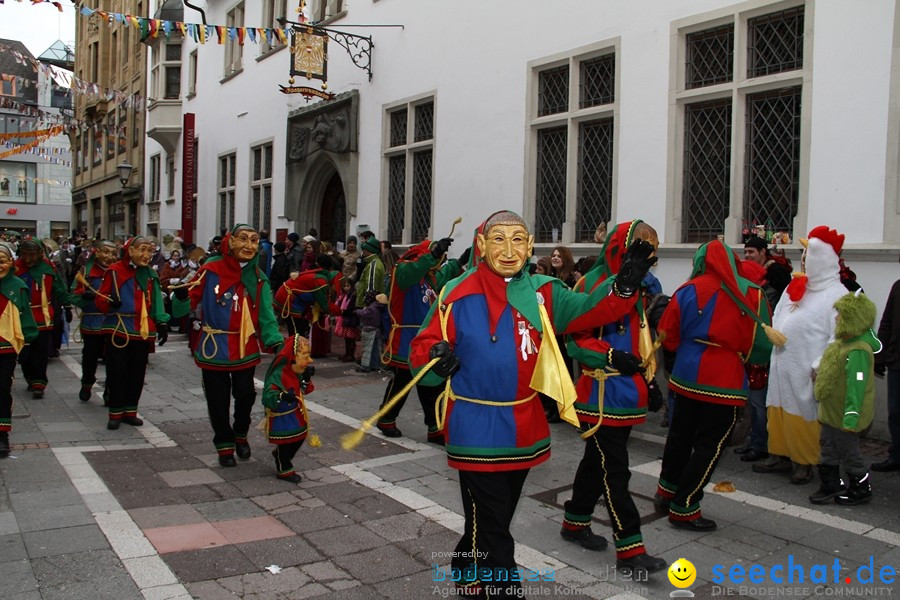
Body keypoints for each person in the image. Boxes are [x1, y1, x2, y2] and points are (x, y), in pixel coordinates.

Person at [408, 210, 654, 598]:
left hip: (523, 422)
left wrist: (622, 288)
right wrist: (436, 355)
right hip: (473, 420)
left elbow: (589, 311)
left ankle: (466, 565)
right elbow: (421, 348)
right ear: (483, 244)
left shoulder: (545, 291)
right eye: (499, 239)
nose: (509, 250)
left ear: (530, 244)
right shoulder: (454, 292)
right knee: (494, 521)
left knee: (495, 511)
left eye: (518, 239)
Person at [560, 220, 667, 576]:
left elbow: (638, 339)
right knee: (615, 471)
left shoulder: (635, 288)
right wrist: (607, 357)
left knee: (597, 462)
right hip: (601, 392)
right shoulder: (590, 283)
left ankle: (575, 520)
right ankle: (630, 547)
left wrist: (648, 381)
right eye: (638, 250)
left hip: (625, 391)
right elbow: (575, 338)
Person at [655, 239, 773, 532]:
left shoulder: (686, 289)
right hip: (725, 379)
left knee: (679, 436)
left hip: (686, 375)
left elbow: (667, 334)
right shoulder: (752, 294)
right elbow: (762, 346)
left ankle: (666, 491)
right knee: (710, 445)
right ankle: (685, 506)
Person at [172, 225, 284, 467]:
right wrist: (180, 298)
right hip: (213, 347)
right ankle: (224, 444)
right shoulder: (210, 269)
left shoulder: (259, 278)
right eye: (243, 239)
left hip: (244, 347)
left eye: (254, 240)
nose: (249, 245)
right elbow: (187, 301)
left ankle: (240, 434)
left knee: (246, 395)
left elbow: (266, 316)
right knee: (217, 399)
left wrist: (276, 343)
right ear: (230, 242)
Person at [755, 227, 848, 484]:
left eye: (811, 254)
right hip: (782, 363)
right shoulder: (796, 286)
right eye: (804, 254)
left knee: (803, 414)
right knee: (777, 408)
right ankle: (779, 454)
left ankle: (804, 461)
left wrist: (821, 365)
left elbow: (839, 337)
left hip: (806, 367)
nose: (805, 259)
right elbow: (783, 313)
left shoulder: (837, 295)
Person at [377, 238, 467, 441]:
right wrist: (432, 254)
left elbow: (443, 277)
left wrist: (459, 261)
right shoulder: (402, 270)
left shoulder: (428, 278)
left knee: (432, 383)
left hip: (426, 340)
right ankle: (386, 418)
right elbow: (412, 271)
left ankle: (435, 427)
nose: (438, 262)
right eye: (436, 257)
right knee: (402, 382)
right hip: (406, 339)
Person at [808, 291, 880, 505]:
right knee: (828, 445)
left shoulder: (858, 350)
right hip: (832, 411)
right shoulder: (843, 343)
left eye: (840, 314)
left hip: (846, 414)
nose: (837, 318)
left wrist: (851, 416)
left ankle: (861, 486)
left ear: (853, 317)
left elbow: (857, 385)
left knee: (848, 450)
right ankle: (830, 483)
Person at [95, 237, 170, 430]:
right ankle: (115, 412)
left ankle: (130, 411)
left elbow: (156, 302)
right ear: (131, 251)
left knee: (137, 373)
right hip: (118, 326)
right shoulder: (115, 271)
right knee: (117, 371)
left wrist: (161, 321)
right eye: (142, 250)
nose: (146, 255)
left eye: (150, 251)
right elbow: (101, 299)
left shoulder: (151, 274)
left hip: (141, 329)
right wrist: (109, 303)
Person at [734, 236, 792, 462]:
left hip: (763, 351)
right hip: (750, 350)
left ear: (762, 252)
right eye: (745, 252)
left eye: (751, 252)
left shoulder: (769, 286)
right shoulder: (754, 290)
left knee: (759, 401)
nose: (748, 256)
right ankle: (755, 440)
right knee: (752, 400)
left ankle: (761, 444)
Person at [14, 239, 77, 399]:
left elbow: (59, 288)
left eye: (32, 255)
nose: (28, 259)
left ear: (40, 254)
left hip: (43, 317)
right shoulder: (14, 268)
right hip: (20, 318)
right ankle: (30, 377)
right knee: (25, 353)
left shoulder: (48, 268)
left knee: (40, 352)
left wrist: (67, 306)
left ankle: (39, 382)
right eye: (25, 255)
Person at [0, 243, 39, 457]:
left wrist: (28, 341)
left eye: (2, 261)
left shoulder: (17, 286)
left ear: (10, 263)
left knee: (2, 389)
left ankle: (2, 434)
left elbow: (25, 316)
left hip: (5, 347)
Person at [262, 335, 316, 483]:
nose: (309, 360)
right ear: (292, 357)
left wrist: (306, 378)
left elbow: (304, 390)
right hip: (282, 415)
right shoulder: (278, 375)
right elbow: (267, 396)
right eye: (305, 356)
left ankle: (282, 455)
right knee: (286, 439)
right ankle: (283, 467)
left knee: (300, 436)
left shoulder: (295, 373)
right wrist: (282, 396)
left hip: (295, 412)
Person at [71, 240, 117, 403]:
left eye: (113, 253)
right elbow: (74, 296)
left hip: (113, 322)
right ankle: (87, 383)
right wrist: (83, 298)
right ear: (97, 252)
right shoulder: (86, 272)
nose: (109, 257)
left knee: (114, 359)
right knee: (90, 357)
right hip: (92, 322)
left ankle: (110, 391)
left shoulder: (118, 272)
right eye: (105, 252)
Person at [273, 255, 340, 339]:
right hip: (289, 300)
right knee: (296, 332)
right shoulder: (321, 281)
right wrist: (340, 312)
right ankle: (293, 350)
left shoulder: (319, 275)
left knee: (298, 330)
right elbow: (324, 304)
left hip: (291, 299)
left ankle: (294, 349)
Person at [873, 274, 900, 472]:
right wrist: (879, 356)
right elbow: (886, 322)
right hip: (897, 361)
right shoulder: (898, 287)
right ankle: (897, 455)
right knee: (895, 413)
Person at [356, 235, 385, 373]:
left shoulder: (373, 264)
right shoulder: (374, 262)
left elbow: (371, 288)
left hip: (372, 307)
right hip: (376, 306)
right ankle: (375, 363)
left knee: (368, 337)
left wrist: (367, 306)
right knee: (374, 338)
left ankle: (366, 364)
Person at [334, 277, 359, 362]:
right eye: (344, 286)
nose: (346, 288)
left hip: (351, 320)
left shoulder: (353, 296)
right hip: (345, 319)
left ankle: (350, 355)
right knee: (346, 338)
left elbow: (352, 309)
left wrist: (343, 311)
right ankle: (347, 353)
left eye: (348, 286)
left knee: (350, 338)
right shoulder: (344, 295)